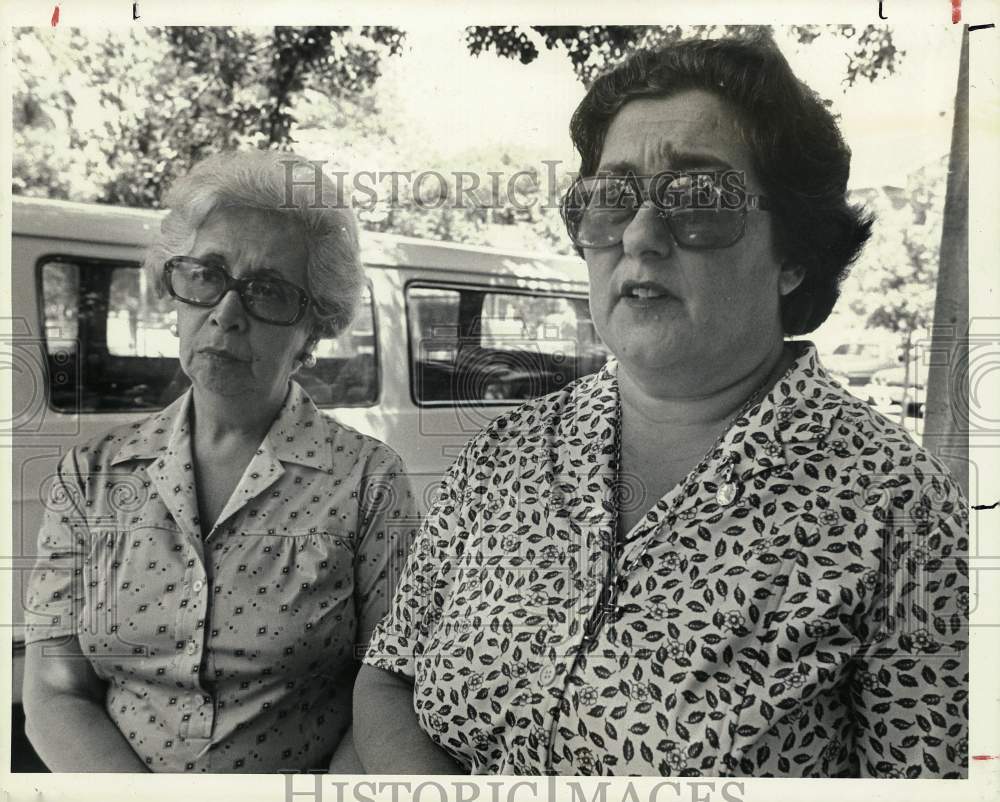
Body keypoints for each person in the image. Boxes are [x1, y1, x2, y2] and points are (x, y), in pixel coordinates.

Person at [354, 37, 969, 777]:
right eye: (611, 202)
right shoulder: (502, 455)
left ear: (795, 255)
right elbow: (390, 676)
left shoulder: (902, 511)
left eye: (700, 202)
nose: (640, 237)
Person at [22, 150, 418, 773]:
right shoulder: (89, 476)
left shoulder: (369, 482)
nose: (227, 314)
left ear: (313, 328)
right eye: (207, 274)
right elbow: (55, 690)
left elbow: (392, 689)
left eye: (268, 291)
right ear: (175, 293)